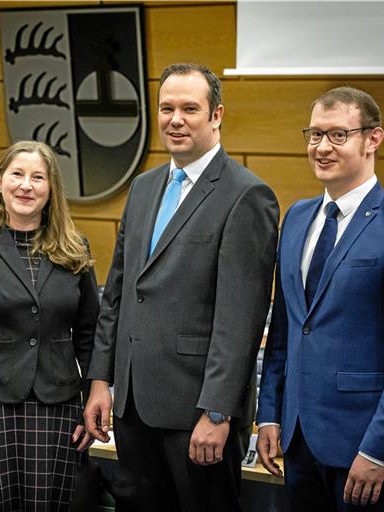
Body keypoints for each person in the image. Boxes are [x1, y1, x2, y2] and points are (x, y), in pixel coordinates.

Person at [83, 63, 279, 511]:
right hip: (132, 410)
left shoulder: (246, 195)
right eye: (166, 108)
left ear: (216, 115)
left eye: (190, 109)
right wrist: (100, 381)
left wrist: (218, 411)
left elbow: (240, 320)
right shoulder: (143, 187)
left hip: (197, 415)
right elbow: (118, 295)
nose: (175, 119)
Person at [256, 86, 384, 511]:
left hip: (366, 449)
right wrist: (269, 414)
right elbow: (284, 332)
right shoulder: (297, 217)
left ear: (373, 139)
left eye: (338, 135)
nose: (322, 147)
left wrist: (379, 450)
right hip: (298, 441)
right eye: (315, 134)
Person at [0, 140, 100, 511]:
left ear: (51, 188)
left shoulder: (76, 249)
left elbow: (91, 336)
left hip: (58, 410)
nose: (26, 185)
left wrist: (90, 403)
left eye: (38, 177)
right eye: (17, 175)